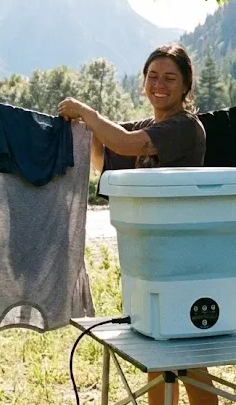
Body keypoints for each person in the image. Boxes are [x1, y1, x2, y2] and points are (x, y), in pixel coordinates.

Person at [58, 43, 218, 405]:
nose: (159, 84)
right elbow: (104, 158)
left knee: (188, 349)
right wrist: (91, 127)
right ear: (143, 82)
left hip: (182, 251)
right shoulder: (150, 126)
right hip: (151, 252)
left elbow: (127, 144)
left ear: (185, 85)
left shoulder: (184, 127)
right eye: (152, 76)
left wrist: (88, 112)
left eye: (170, 78)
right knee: (156, 346)